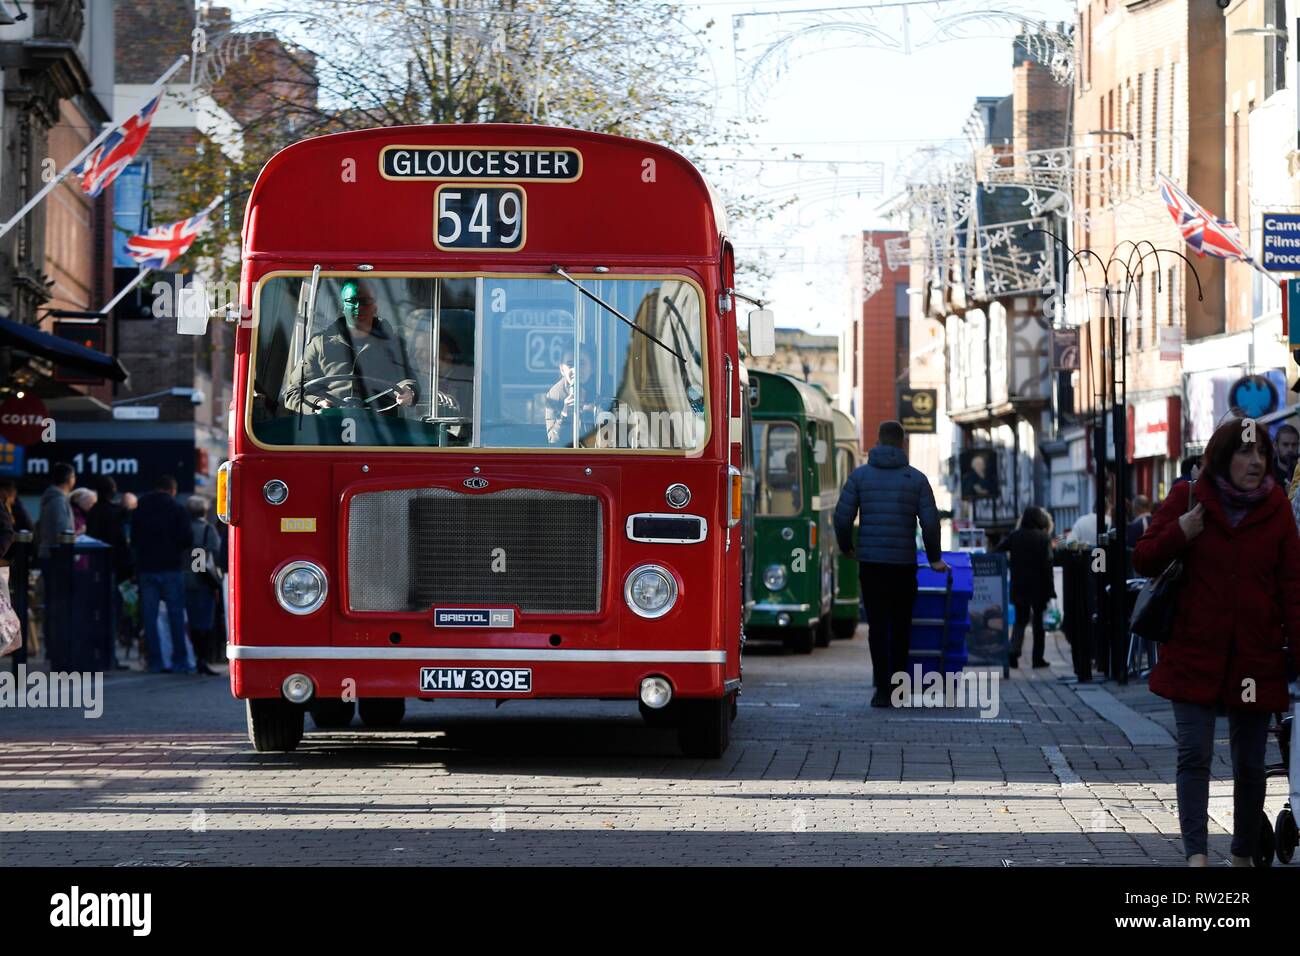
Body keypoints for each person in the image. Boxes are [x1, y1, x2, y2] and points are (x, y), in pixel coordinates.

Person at [1133, 417, 1300, 867]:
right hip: (1194, 653)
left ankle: (1242, 854)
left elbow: (1292, 588)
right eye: (1245, 452)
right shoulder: (1189, 498)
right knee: (1195, 755)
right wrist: (1180, 532)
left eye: (1261, 453)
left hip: (1254, 655)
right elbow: (1144, 557)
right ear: (1222, 458)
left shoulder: (1276, 508)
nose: (1255, 461)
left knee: (1249, 763)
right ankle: (1197, 856)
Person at [834, 420, 947, 708]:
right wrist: (934, 557)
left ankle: (882, 690)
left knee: (877, 627)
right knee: (901, 627)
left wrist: (847, 547)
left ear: (878, 441)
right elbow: (931, 523)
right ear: (902, 443)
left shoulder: (860, 477)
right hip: (902, 564)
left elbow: (842, 517)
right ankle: (898, 689)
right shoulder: (917, 479)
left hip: (871, 564)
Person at [283, 279, 419, 413]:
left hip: (381, 429)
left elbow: (408, 380)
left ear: (375, 307)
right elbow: (293, 393)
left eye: (365, 301)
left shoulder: (393, 344)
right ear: (342, 306)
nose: (358, 307)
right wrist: (318, 403)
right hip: (329, 428)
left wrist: (408, 392)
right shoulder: (319, 344)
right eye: (352, 301)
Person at [133, 475, 195, 674]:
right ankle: (180, 661)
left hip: (147, 568)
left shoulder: (140, 508)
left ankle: (155, 662)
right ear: (173, 490)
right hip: (171, 568)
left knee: (149, 618)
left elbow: (133, 538)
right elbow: (187, 539)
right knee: (176, 616)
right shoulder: (178, 509)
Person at [995, 506, 1055, 669]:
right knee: (1038, 623)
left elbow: (998, 550)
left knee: (1020, 620)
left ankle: (1013, 652)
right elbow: (1048, 565)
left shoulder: (1015, 536)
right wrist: (1051, 589)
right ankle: (1037, 658)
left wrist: (1010, 564)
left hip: (1019, 584)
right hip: (1039, 585)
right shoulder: (1043, 538)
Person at [184, 496, 221, 676]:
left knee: (189, 623)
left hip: (182, 580)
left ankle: (190, 658)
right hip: (201, 582)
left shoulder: (183, 528)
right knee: (204, 623)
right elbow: (207, 557)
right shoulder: (207, 530)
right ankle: (202, 660)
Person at [544, 350, 612, 446]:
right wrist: (565, 416)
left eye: (582, 364)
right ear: (562, 369)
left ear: (592, 367)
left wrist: (592, 410)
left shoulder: (606, 387)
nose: (576, 370)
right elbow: (554, 441)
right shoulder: (555, 395)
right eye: (570, 365)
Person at [36, 462, 75, 559]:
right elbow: (62, 531)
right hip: (56, 557)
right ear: (69, 478)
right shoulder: (58, 501)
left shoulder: (54, 498)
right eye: (73, 476)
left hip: (51, 554)